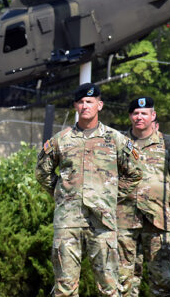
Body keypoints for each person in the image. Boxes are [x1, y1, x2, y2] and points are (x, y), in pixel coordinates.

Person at [35, 83, 142, 297]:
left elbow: (135, 173)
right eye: (81, 102)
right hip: (68, 221)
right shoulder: (61, 140)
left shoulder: (115, 139)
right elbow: (42, 172)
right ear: (75, 105)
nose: (85, 106)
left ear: (99, 105)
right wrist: (62, 194)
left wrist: (110, 195)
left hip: (102, 223)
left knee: (109, 288)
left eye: (90, 102)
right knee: (65, 288)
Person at [115, 97, 170, 297]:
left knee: (162, 281)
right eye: (135, 113)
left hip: (159, 222)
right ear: (130, 116)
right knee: (123, 281)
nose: (139, 117)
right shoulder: (118, 145)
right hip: (124, 221)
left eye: (144, 113)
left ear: (153, 116)